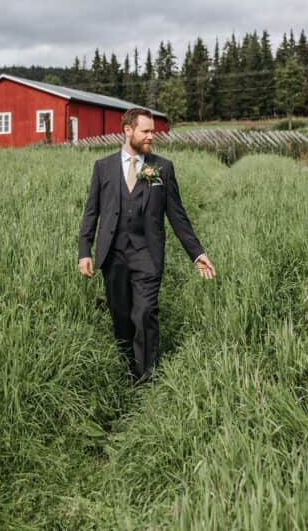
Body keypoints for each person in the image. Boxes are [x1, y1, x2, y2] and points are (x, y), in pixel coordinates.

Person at [78, 108, 215, 384]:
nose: (152, 136)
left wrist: (196, 253)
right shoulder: (103, 167)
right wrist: (85, 252)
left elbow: (177, 215)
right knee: (121, 318)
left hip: (147, 256)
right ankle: (128, 370)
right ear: (128, 130)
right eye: (146, 131)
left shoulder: (161, 167)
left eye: (153, 131)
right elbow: (91, 212)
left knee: (144, 313)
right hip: (113, 256)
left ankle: (146, 377)